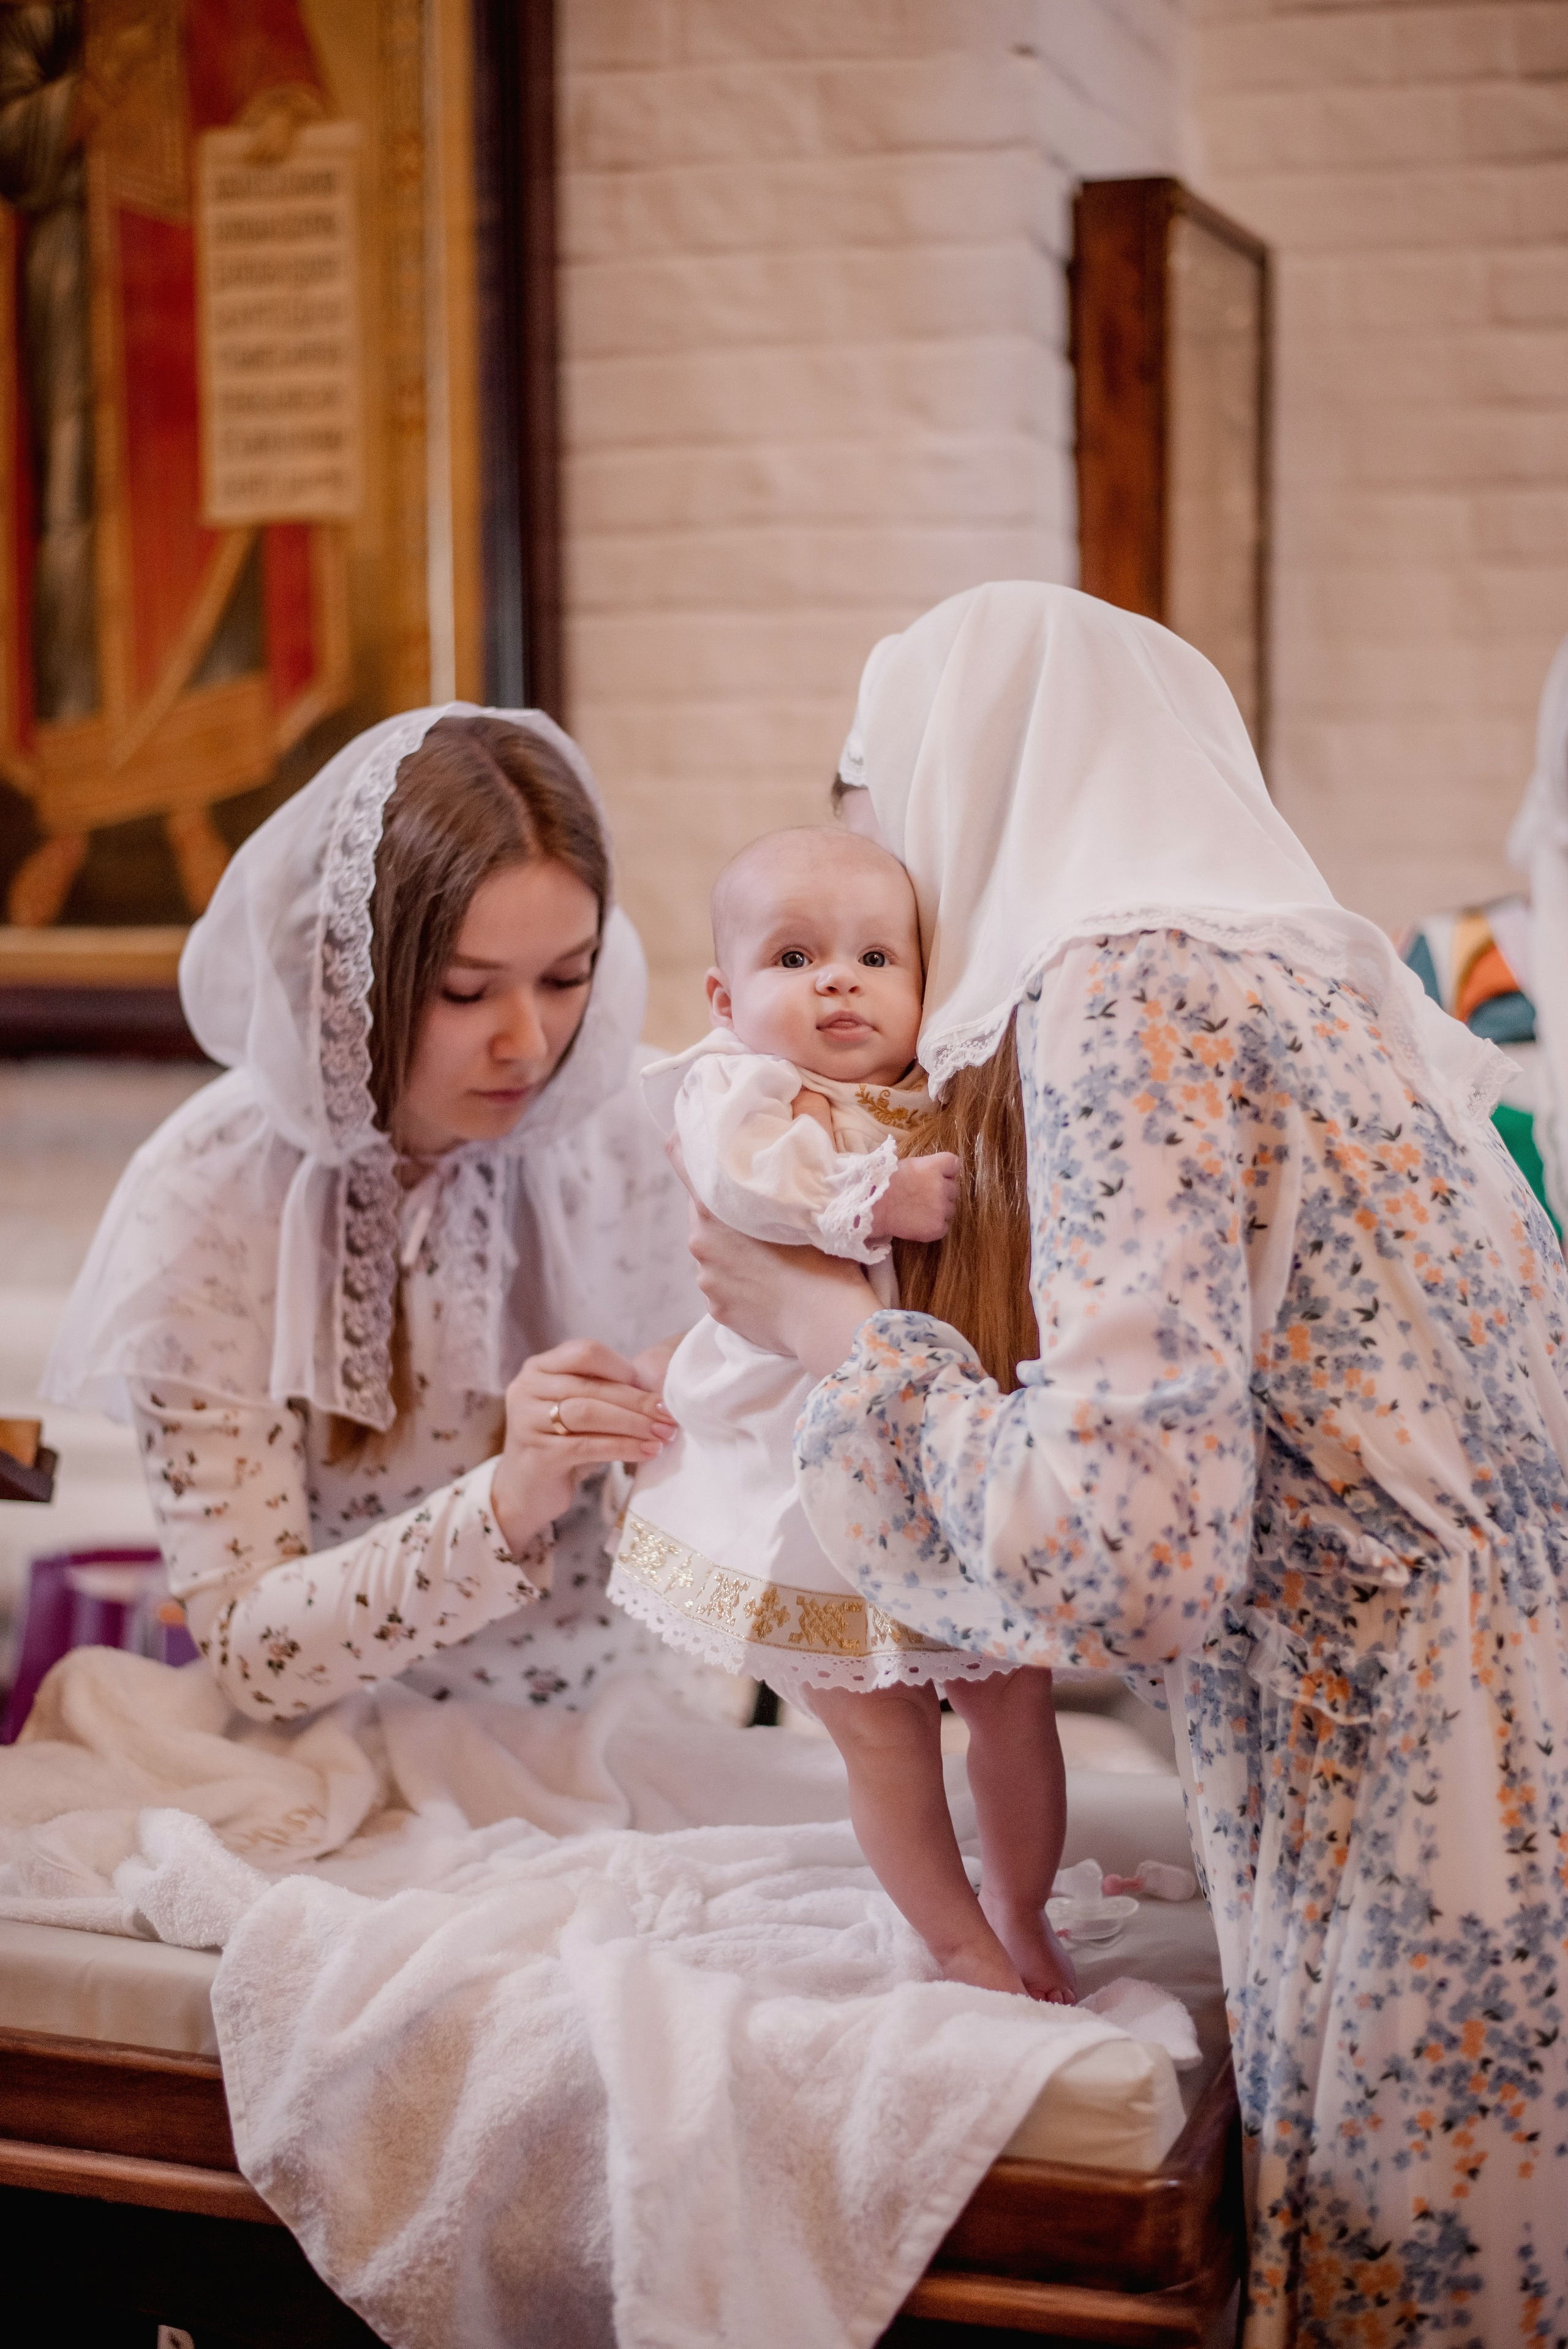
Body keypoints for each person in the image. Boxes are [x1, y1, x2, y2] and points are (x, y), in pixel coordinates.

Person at [683, 581, 1568, 2347]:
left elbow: (1126, 1559)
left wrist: (824, 1338)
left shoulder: (1120, 992)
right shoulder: (1322, 981)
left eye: (882, 799)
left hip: (1415, 1781)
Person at [42, 707, 707, 1720]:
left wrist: (703, 1436)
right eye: (465, 990)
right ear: (358, 978)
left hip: (633, 1727)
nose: (529, 1042)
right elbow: (248, 1655)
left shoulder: (651, 1133)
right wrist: (508, 1497)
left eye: (568, 977)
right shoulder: (212, 1194)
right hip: (341, 1755)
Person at [608, 825, 1074, 2000]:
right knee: (883, 1730)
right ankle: (960, 1942)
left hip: (941, 1455)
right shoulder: (746, 1090)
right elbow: (739, 1180)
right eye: (795, 956)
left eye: (877, 956)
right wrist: (877, 1195)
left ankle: (1024, 1907)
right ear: (725, 995)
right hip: (798, 1471)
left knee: (1013, 1697)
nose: (838, 980)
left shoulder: (948, 1094)